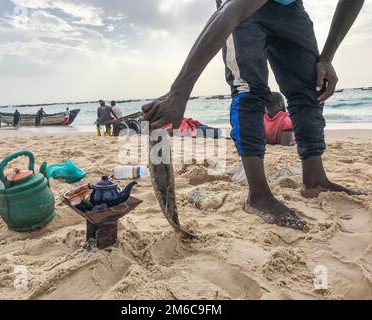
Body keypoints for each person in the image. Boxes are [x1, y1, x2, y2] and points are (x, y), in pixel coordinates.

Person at [142, 0, 365, 230]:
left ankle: (315, 179)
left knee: (310, 87)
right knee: (249, 88)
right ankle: (259, 195)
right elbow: (231, 11)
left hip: (290, 7)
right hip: (238, 7)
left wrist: (326, 58)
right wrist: (179, 93)